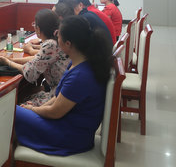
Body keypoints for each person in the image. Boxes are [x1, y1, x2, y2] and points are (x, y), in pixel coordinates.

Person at [14, 15, 113, 156]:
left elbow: (55, 112)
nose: (56, 37)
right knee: (19, 111)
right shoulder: (79, 62)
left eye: (58, 35)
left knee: (11, 111)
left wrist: (33, 109)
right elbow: (58, 98)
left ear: (68, 44)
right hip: (71, 127)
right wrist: (37, 109)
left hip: (69, 136)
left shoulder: (80, 75)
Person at [0, 9, 69, 106]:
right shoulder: (55, 40)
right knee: (24, 94)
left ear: (38, 29)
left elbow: (30, 72)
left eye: (34, 24)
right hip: (60, 91)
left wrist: (8, 63)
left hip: (57, 96)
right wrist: (13, 60)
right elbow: (37, 59)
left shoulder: (50, 44)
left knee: (18, 103)